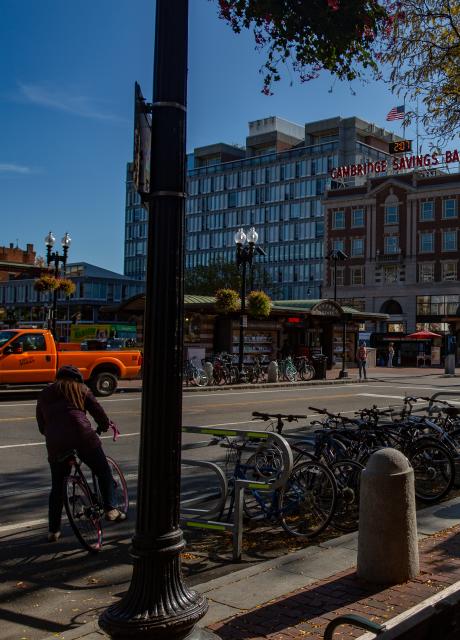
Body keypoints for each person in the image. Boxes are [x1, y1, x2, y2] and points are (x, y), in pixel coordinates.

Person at [36, 365, 126, 542]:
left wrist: (52, 435)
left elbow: (41, 423)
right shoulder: (81, 389)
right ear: (77, 379)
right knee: (103, 471)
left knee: (57, 487)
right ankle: (111, 509)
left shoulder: (45, 393)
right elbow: (98, 412)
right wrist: (104, 425)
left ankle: (53, 530)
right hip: (82, 436)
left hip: (55, 443)